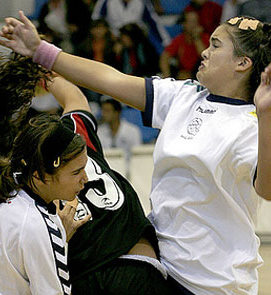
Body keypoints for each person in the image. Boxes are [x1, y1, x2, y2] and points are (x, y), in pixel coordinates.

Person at [0, 12, 271, 294]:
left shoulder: (258, 121)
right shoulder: (185, 96)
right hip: (161, 270)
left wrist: (265, 113)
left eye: (215, 45)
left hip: (215, 282)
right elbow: (111, 80)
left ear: (242, 64)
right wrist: (42, 52)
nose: (204, 52)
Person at [42, 76, 177, 294]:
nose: (83, 178)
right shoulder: (75, 135)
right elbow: (75, 97)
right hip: (133, 267)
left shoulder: (23, 181)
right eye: (77, 172)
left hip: (98, 272)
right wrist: (44, 69)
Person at [0, 112, 89, 295]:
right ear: (40, 175)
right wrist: (55, 240)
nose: (85, 179)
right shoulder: (38, 226)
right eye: (76, 172)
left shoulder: (5, 193)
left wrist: (59, 238)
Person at [97, 96, 142, 177]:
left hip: (130, 172)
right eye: (103, 110)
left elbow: (137, 156)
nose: (104, 114)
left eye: (107, 111)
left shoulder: (132, 131)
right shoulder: (99, 132)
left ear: (117, 112)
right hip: (107, 172)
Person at [159, 10, 210, 79]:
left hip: (202, 72)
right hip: (184, 74)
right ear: (184, 24)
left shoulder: (206, 38)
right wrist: (167, 77)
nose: (194, 25)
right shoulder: (179, 39)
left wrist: (197, 38)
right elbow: (165, 57)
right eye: (191, 22)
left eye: (195, 21)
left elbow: (206, 57)